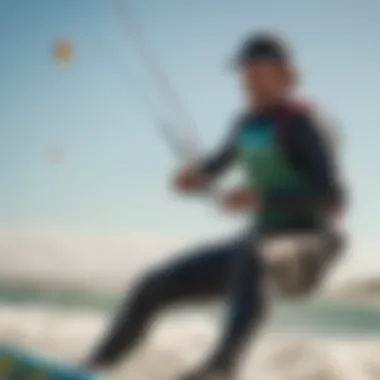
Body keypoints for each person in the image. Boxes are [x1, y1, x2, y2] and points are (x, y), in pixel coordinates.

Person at [84, 33, 346, 380]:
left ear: (285, 75)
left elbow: (332, 194)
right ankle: (93, 368)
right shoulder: (245, 125)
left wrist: (262, 198)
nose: (247, 79)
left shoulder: (302, 124)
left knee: (254, 251)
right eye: (244, 71)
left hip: (310, 248)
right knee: (153, 285)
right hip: (260, 245)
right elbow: (215, 166)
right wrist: (196, 178)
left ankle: (220, 369)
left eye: (257, 70)